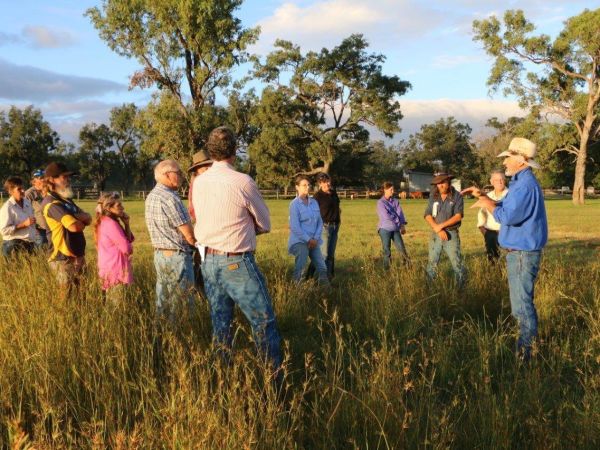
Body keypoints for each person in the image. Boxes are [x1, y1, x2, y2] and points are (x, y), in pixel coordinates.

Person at [193, 126, 282, 374]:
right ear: (234, 151)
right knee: (264, 321)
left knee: (220, 323)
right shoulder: (242, 181)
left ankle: (221, 377)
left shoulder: (199, 182)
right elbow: (264, 223)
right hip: (236, 262)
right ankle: (273, 383)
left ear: (210, 151)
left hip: (208, 260)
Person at [463, 137, 547, 361]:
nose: (505, 163)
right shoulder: (522, 183)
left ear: (520, 161)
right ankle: (528, 351)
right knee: (520, 305)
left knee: (521, 307)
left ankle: (527, 356)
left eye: (508, 158)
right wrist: (483, 196)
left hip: (521, 254)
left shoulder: (524, 186)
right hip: (519, 253)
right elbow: (508, 209)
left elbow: (507, 216)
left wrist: (487, 204)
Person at [145, 160, 196, 317]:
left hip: (160, 255)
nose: (181, 176)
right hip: (177, 256)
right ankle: (181, 335)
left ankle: (162, 336)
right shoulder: (170, 198)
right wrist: (201, 249)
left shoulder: (151, 196)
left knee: (163, 300)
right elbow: (188, 234)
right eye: (178, 173)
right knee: (182, 304)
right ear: (167, 175)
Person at [41, 162, 92, 298]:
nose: (69, 180)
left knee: (82, 296)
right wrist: (79, 219)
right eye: (64, 177)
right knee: (65, 298)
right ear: (52, 180)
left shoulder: (66, 201)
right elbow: (75, 227)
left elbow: (89, 219)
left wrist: (75, 217)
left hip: (77, 256)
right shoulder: (51, 203)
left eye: (69, 177)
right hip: (62, 259)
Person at [424, 173, 467, 289]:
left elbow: (458, 216)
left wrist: (441, 226)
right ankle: (428, 288)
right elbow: (428, 215)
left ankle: (461, 289)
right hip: (435, 234)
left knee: (456, 262)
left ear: (448, 182)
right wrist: (437, 229)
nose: (440, 186)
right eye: (438, 184)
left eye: (443, 183)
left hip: (451, 233)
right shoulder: (434, 196)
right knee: (432, 262)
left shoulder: (457, 196)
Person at [288, 175, 329, 285]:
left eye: (308, 185)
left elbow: (320, 222)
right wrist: (308, 240)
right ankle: (297, 291)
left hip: (314, 241)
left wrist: (315, 239)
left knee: (322, 267)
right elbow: (295, 227)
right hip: (300, 241)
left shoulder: (314, 202)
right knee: (301, 268)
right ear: (297, 187)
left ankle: (326, 290)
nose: (307, 187)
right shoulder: (294, 205)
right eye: (304, 185)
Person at [94, 192, 134, 302]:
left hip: (110, 268)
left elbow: (129, 239)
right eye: (118, 205)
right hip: (115, 270)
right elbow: (127, 248)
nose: (122, 207)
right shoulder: (110, 224)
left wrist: (126, 224)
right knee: (116, 305)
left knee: (112, 303)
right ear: (109, 208)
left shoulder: (107, 221)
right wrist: (130, 248)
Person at [311, 172, 341, 278]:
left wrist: (338, 220)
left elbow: (338, 207)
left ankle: (329, 276)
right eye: (324, 182)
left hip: (335, 227)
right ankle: (319, 278)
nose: (327, 184)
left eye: (328, 181)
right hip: (324, 228)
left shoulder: (333, 193)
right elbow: (313, 214)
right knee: (324, 254)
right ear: (320, 184)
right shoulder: (317, 197)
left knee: (331, 254)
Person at [0, 176, 37, 257]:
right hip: (13, 245)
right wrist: (23, 225)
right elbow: (3, 231)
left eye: (22, 188)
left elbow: (30, 222)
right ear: (10, 191)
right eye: (19, 189)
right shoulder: (7, 208)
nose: (23, 191)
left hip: (29, 244)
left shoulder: (27, 202)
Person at [376, 181, 409, 269]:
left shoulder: (395, 201)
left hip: (395, 229)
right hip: (384, 229)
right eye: (391, 189)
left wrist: (402, 225)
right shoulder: (380, 203)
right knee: (387, 250)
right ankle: (387, 269)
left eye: (393, 189)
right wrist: (398, 220)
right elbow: (386, 216)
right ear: (385, 190)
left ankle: (407, 268)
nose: (392, 191)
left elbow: (400, 213)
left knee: (402, 249)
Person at [476, 170, 508, 261]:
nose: (500, 182)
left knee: (508, 260)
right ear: (491, 182)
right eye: (497, 180)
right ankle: (494, 274)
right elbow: (481, 215)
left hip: (507, 233)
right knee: (492, 260)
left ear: (505, 180)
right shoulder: (487, 196)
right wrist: (485, 232)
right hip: (491, 234)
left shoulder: (511, 195)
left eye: (502, 179)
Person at [25, 169, 49, 247]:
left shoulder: (49, 191)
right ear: (33, 181)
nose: (43, 180)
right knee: (40, 248)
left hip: (51, 227)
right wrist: (33, 229)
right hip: (38, 229)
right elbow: (24, 212)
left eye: (44, 177)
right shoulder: (29, 194)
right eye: (40, 178)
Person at [187, 149, 213, 222]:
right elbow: (191, 205)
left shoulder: (212, 179)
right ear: (197, 169)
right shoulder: (196, 182)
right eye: (205, 166)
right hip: (204, 219)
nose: (209, 168)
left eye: (209, 165)